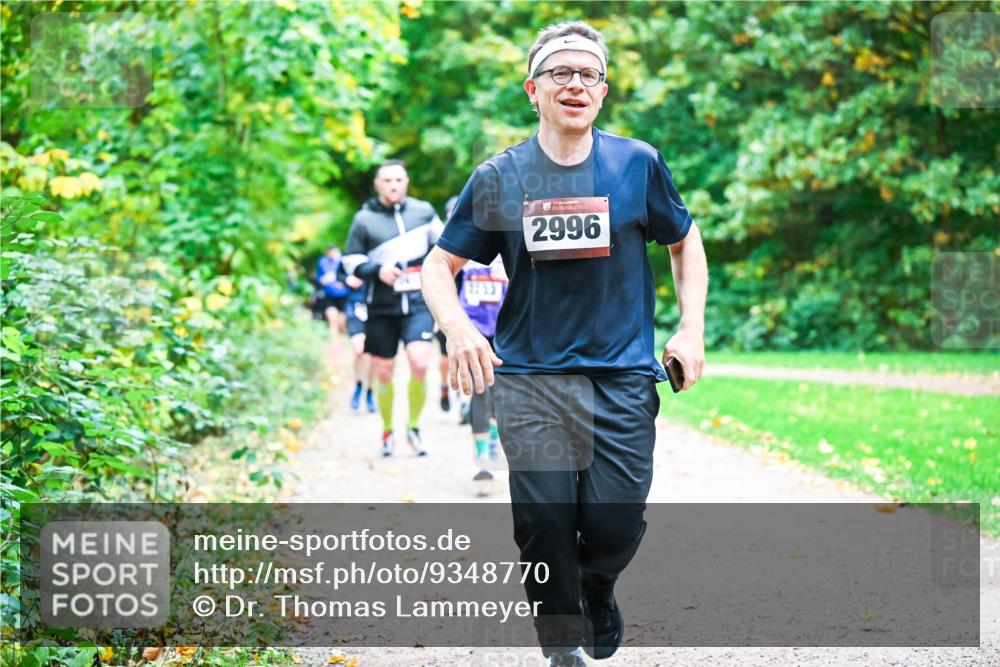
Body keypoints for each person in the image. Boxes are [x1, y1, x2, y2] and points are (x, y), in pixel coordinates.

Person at [421, 21, 707, 667]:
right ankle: (562, 644)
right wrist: (460, 326)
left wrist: (690, 329)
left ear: (603, 92)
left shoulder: (638, 163)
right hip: (530, 379)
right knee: (545, 523)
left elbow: (684, 240)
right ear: (533, 88)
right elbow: (437, 268)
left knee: (613, 529)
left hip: (623, 377)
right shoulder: (500, 177)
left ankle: (598, 586)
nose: (576, 84)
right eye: (561, 73)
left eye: (589, 75)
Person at [343, 159, 444, 457]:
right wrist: (376, 269)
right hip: (381, 306)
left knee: (420, 362)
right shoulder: (364, 219)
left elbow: (447, 249)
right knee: (383, 372)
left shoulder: (424, 212)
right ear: (378, 185)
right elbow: (350, 261)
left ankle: (414, 427)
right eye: (387, 181)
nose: (393, 186)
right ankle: (388, 430)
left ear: (406, 182)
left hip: (418, 303)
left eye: (398, 180)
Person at [456, 255, 508, 482]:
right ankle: (482, 454)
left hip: (506, 328)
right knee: (480, 389)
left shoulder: (514, 239)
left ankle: (494, 440)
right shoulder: (465, 244)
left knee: (499, 392)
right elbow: (445, 279)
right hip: (472, 328)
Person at [344, 273, 377, 413]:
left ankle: (370, 391)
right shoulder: (350, 256)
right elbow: (335, 273)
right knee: (360, 350)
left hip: (375, 309)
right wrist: (346, 279)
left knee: (373, 356)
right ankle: (358, 386)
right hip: (354, 309)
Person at [315, 245, 351, 354]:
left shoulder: (344, 260)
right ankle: (334, 343)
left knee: (342, 322)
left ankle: (341, 343)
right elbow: (322, 278)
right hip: (329, 295)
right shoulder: (323, 262)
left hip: (344, 295)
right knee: (332, 318)